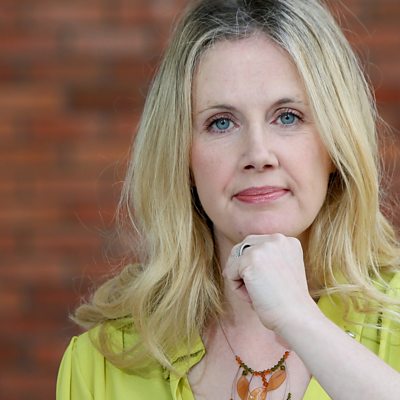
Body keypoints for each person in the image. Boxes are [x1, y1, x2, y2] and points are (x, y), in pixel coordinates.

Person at [56, 0, 400, 399]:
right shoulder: (100, 365)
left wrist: (299, 319)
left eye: (288, 116)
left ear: (336, 143)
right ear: (182, 156)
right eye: (221, 123)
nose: (258, 154)